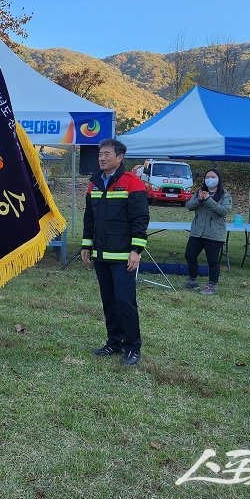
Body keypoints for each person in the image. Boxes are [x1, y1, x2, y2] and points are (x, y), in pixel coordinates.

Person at [80, 137, 149, 367]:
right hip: (101, 255)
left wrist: (136, 250)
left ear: (120, 157)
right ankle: (114, 342)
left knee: (125, 301)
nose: (101, 157)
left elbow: (140, 219)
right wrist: (86, 245)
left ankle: (132, 348)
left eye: (107, 154)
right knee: (108, 301)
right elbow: (89, 218)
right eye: (100, 154)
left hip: (123, 257)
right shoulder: (94, 183)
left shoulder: (132, 183)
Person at [183, 169, 232, 296]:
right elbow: (189, 206)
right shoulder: (200, 191)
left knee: (212, 260)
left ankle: (211, 285)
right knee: (190, 255)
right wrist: (199, 199)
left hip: (214, 233)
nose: (210, 179)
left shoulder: (224, 194)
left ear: (218, 179)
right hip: (197, 231)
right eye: (207, 177)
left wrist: (207, 200)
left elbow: (223, 211)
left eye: (213, 177)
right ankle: (192, 281)